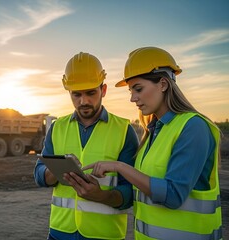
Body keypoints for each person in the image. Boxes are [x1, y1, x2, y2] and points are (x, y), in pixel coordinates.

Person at [79, 47, 222, 239]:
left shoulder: (193, 127)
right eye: (131, 91)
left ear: (163, 84)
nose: (132, 98)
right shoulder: (153, 133)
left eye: (138, 89)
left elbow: (173, 196)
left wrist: (119, 166)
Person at [34, 52, 139, 240]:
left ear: (103, 90)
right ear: (69, 93)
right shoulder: (57, 127)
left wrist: (101, 196)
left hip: (104, 235)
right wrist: (54, 173)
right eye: (77, 94)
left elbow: (131, 193)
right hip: (59, 233)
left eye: (91, 93)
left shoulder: (124, 131)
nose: (83, 101)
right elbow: (39, 175)